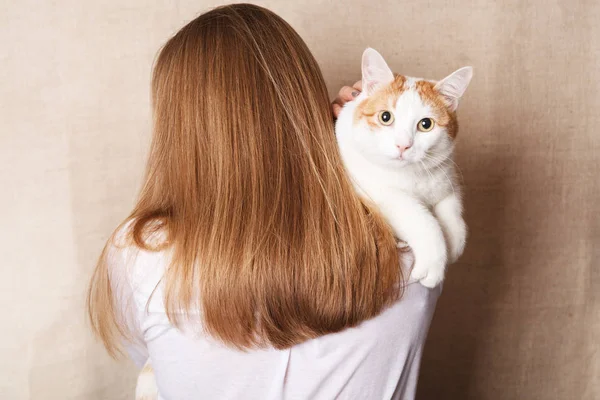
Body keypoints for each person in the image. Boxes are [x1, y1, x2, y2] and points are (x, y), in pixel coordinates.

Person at [87, 4, 441, 399]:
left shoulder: (140, 253)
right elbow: (415, 195)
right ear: (305, 100)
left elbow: (153, 357)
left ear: (177, 130)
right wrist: (355, 146)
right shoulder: (410, 253)